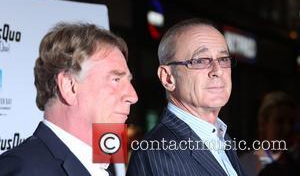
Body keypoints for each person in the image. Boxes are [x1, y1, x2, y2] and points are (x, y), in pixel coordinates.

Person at [0, 22, 138, 175]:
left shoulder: (103, 168)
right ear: (69, 86)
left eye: (129, 81)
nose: (133, 96)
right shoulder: (25, 170)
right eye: (116, 80)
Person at [127, 18, 245, 176]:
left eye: (223, 59)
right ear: (168, 78)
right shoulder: (156, 153)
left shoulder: (222, 139)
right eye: (201, 61)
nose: (218, 70)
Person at [240, 91, 300, 176]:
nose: (287, 128)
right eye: (280, 121)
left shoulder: (294, 166)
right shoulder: (245, 165)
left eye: (292, 122)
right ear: (264, 123)